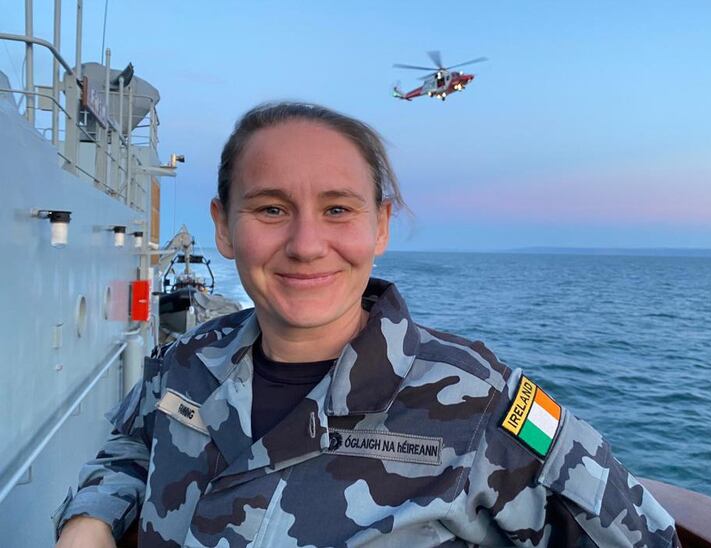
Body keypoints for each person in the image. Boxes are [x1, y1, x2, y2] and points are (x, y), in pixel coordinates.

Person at [54, 102, 679, 547]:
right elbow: (134, 448)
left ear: (380, 226)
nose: (306, 245)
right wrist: (91, 520)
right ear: (223, 227)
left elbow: (643, 537)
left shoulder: (481, 403)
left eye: (337, 210)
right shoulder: (189, 360)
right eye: (271, 209)